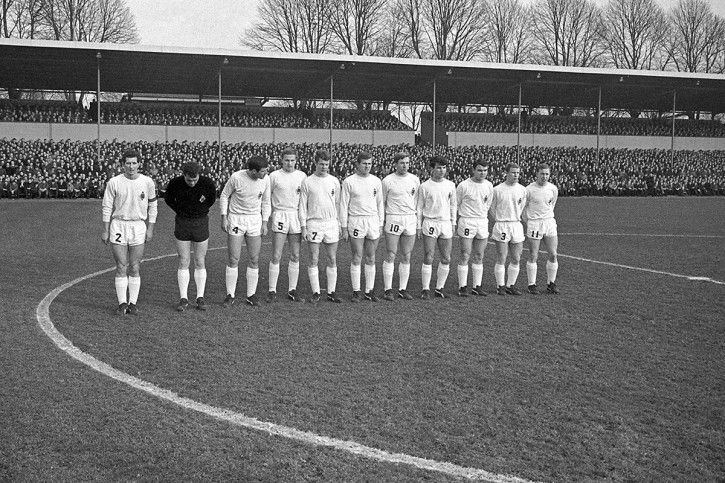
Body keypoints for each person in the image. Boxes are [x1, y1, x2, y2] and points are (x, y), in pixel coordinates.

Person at [101, 149, 158, 315]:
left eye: (134, 163)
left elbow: (153, 205)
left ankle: (133, 303)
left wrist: (150, 228)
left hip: (138, 226)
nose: (131, 166)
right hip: (118, 225)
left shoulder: (147, 182)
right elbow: (106, 206)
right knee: (121, 266)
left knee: (134, 266)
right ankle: (122, 303)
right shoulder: (114, 182)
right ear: (122, 164)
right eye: (128, 163)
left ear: (139, 164)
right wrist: (105, 230)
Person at [164, 161, 217, 311]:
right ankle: (183, 299)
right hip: (182, 223)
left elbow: (212, 199)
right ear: (183, 175)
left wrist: (200, 210)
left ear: (199, 175)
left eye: (195, 179)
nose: (192, 183)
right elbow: (168, 199)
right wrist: (180, 210)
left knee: (200, 260)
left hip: (200, 222)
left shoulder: (207, 183)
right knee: (184, 260)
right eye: (189, 180)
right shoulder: (175, 183)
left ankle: (200, 297)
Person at [220, 155, 271, 307]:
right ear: (253, 171)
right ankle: (230, 295)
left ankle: (251, 295)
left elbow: (266, 201)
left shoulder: (266, 180)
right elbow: (224, 195)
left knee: (254, 259)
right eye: (262, 171)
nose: (265, 173)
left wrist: (264, 222)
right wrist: (224, 217)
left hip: (254, 220)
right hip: (236, 219)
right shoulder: (236, 177)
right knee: (234, 259)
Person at [339, 152, 384, 302]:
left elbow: (380, 204)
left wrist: (380, 223)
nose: (367, 166)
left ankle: (369, 291)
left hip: (372, 221)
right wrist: (344, 227)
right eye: (364, 163)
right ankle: (356, 291)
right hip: (356, 221)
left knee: (371, 257)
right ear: (357, 164)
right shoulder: (349, 181)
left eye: (369, 163)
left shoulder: (376, 181)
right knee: (357, 256)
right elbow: (343, 205)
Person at [298, 149, 342, 304]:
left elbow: (338, 203)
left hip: (331, 223)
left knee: (332, 258)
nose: (324, 167)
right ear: (315, 163)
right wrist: (303, 226)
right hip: (314, 223)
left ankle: (331, 292)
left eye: (326, 164)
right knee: (314, 257)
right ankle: (316, 292)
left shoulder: (334, 181)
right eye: (321, 164)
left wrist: (339, 223)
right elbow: (302, 205)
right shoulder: (307, 182)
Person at [267, 147, 307, 303]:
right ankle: (272, 290)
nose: (289, 163)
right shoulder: (274, 176)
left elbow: (304, 199)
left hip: (296, 216)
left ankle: (292, 289)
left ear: (296, 161)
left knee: (295, 255)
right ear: (281, 160)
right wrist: (269, 215)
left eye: (292, 160)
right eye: (287, 160)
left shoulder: (302, 176)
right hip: (280, 215)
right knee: (277, 255)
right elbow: (266, 197)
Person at [416, 155, 457, 299]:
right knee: (429, 256)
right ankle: (425, 289)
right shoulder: (424, 186)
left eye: (444, 168)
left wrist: (453, 223)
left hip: (445, 223)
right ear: (432, 169)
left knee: (446, 258)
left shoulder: (450, 185)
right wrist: (419, 226)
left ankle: (440, 288)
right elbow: (420, 206)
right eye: (439, 167)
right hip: (430, 223)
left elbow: (453, 205)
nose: (442, 170)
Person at [381, 151, 420, 301]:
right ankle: (388, 289)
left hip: (409, 219)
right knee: (391, 253)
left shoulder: (415, 180)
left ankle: (402, 289)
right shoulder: (387, 181)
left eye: (407, 163)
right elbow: (382, 202)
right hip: (393, 218)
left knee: (407, 255)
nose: (405, 166)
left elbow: (415, 200)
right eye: (402, 163)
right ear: (396, 164)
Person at [456, 159, 494, 296]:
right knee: (465, 254)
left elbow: (488, 204)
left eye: (485, 170)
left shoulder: (489, 186)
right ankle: (462, 287)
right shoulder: (463, 185)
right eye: (479, 170)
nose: (482, 173)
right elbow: (456, 203)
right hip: (467, 221)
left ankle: (476, 286)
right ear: (473, 170)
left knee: (479, 255)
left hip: (482, 222)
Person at [489, 162, 527, 295]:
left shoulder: (522, 189)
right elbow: (492, 208)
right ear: (506, 173)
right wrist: (500, 219)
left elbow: (522, 207)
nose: (516, 175)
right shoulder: (497, 190)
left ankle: (511, 285)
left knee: (516, 257)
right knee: (502, 256)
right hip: (502, 225)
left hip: (516, 225)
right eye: (513, 172)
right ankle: (500, 286)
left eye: (517, 173)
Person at [523, 163, 560, 294]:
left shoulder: (553, 189)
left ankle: (551, 283)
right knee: (533, 255)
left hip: (549, 223)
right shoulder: (529, 189)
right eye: (542, 174)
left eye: (547, 174)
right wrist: (529, 222)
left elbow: (552, 204)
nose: (544, 176)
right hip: (534, 223)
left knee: (553, 254)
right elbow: (523, 208)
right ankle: (531, 284)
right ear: (537, 174)